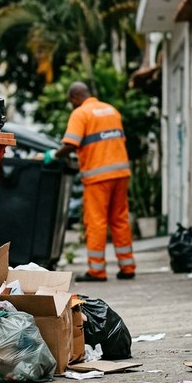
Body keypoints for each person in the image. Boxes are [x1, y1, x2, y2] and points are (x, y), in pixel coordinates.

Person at [50, 82, 136, 282]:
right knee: (120, 220)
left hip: (98, 177)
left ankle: (97, 271)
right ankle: (127, 266)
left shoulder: (81, 114)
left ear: (74, 98)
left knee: (96, 222)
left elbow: (70, 144)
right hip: (121, 173)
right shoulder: (111, 110)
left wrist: (54, 155)